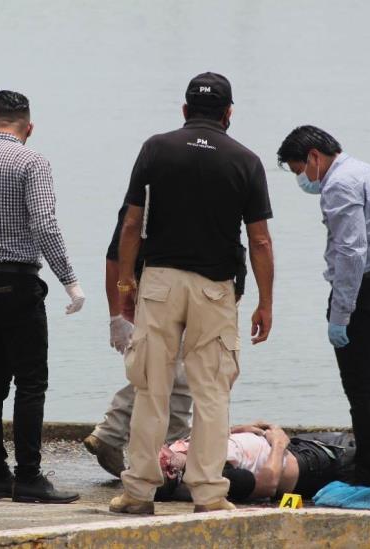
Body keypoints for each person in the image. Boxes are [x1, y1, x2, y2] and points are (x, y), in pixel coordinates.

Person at [109, 72, 275, 515]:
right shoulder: (245, 160)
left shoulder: (156, 148)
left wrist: (127, 283)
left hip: (159, 282)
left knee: (150, 389)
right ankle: (208, 494)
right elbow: (259, 240)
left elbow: (130, 223)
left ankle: (139, 493)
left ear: (184, 111)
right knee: (212, 392)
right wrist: (266, 301)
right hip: (214, 290)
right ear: (228, 114)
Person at [0, 90, 84, 504]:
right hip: (18, 283)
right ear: (29, 127)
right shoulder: (32, 162)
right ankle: (28, 476)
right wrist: (70, 281)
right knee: (30, 382)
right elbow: (44, 224)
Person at [277, 126, 370, 503]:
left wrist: (341, 312)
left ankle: (368, 481)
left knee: (361, 390)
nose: (304, 179)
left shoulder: (338, 184)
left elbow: (351, 251)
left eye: (301, 169)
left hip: (361, 291)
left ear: (314, 156)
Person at [83, 202, 193, 478]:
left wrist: (117, 312)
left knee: (155, 371)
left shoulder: (143, 195)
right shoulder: (152, 199)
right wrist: (117, 313)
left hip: (151, 295)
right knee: (178, 376)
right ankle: (170, 448)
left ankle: (113, 433)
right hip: (166, 295)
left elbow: (114, 259)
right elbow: (115, 259)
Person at [158, 423, 370, 503]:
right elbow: (266, 484)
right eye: (157, 460)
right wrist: (278, 442)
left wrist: (242, 429)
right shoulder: (206, 476)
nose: (156, 452)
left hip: (299, 447)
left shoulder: (178, 447)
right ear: (171, 470)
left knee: (356, 440)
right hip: (309, 468)